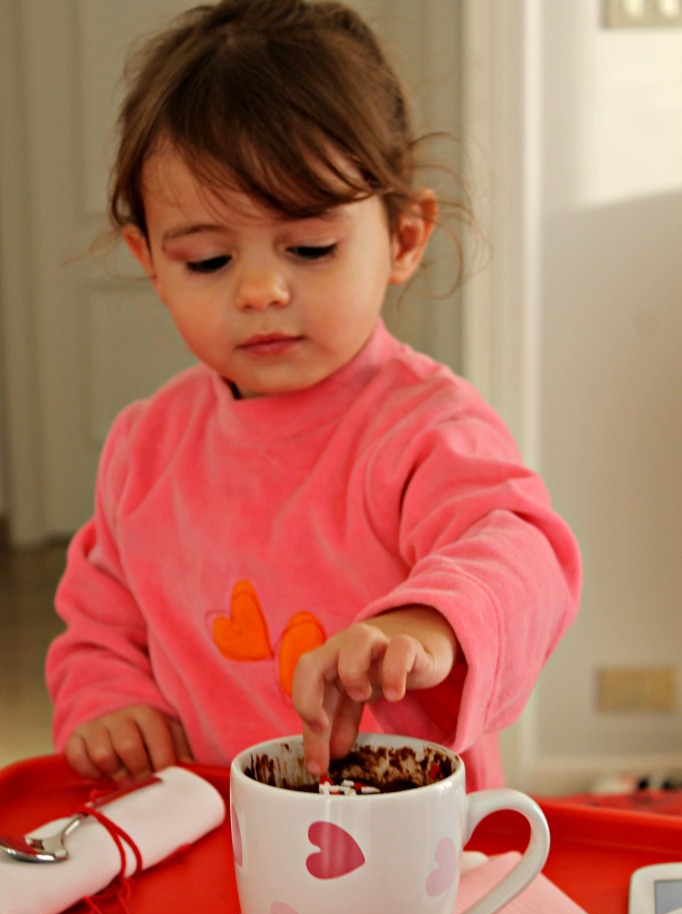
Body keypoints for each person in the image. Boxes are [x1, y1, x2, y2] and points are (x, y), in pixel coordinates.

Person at [46, 0, 581, 788]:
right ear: (151, 261)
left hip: (406, 856)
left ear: (403, 239)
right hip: (213, 842)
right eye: (206, 261)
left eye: (309, 247)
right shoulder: (145, 446)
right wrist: (108, 701)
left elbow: (523, 553)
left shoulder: (427, 426)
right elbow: (100, 626)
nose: (261, 289)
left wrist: (428, 621)